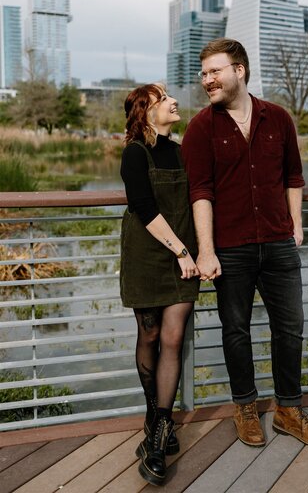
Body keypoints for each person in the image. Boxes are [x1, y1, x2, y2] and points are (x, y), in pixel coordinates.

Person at [181, 38, 308, 449]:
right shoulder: (200, 128)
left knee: (291, 327)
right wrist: (206, 249)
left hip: (279, 243)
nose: (207, 80)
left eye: (215, 71)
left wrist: (295, 225)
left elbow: (294, 178)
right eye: (204, 74)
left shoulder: (279, 119)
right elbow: (200, 192)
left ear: (239, 70)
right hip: (230, 248)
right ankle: (245, 407)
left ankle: (288, 410)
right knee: (236, 331)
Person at [120, 83, 200, 486]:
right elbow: (145, 209)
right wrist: (182, 251)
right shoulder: (135, 153)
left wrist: (194, 253)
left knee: (173, 337)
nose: (172, 101)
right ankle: (154, 416)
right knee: (149, 334)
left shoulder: (182, 151)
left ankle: (159, 436)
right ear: (146, 112)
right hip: (149, 256)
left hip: (183, 261)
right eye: (162, 98)